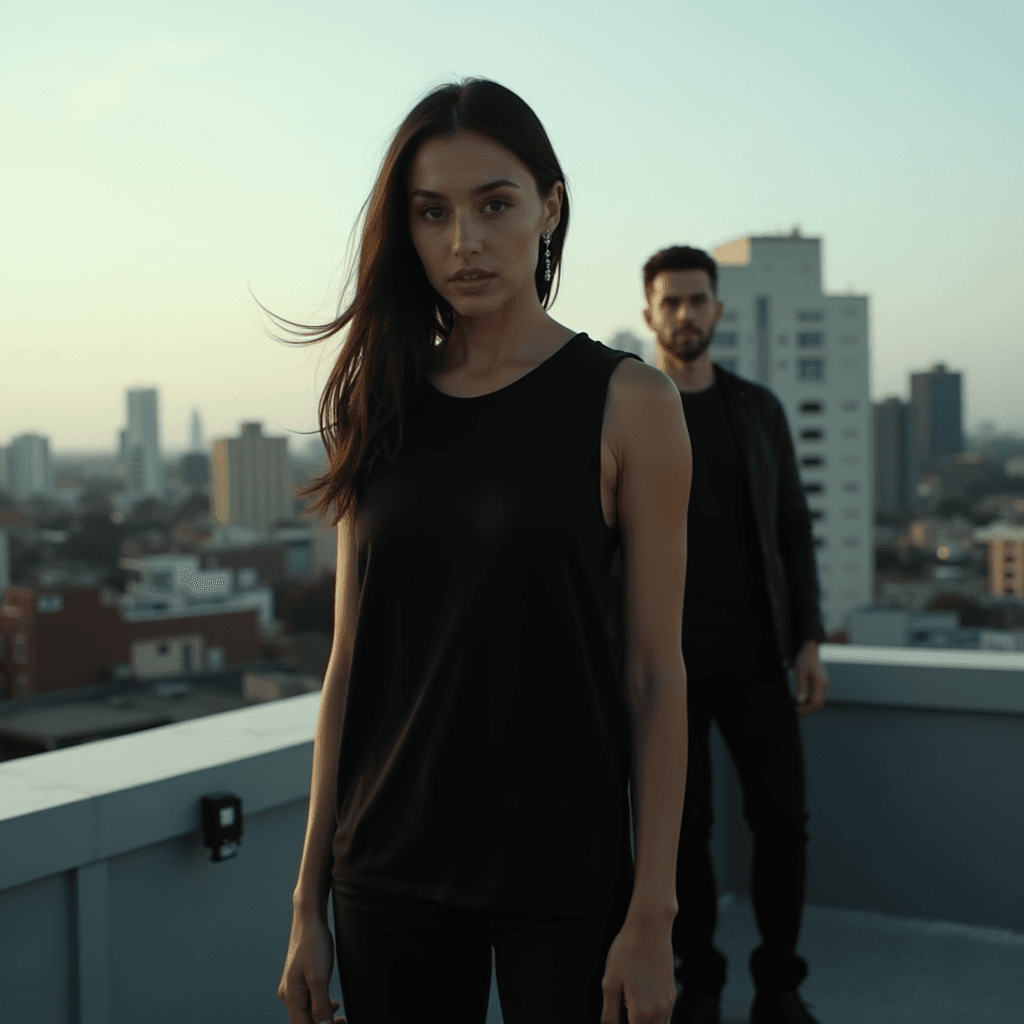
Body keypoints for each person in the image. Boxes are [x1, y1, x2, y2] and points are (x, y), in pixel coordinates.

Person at [275, 79, 694, 1024]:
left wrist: (654, 913)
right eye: (433, 214)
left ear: (549, 206)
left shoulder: (631, 404)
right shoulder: (378, 403)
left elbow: (656, 673)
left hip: (566, 869)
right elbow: (348, 667)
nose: (464, 242)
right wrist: (307, 899)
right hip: (385, 867)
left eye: (494, 204)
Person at [634, 246, 829, 1024]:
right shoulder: (626, 408)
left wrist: (808, 639)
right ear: (648, 312)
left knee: (783, 823)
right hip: (664, 666)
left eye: (697, 300)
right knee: (682, 835)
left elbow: (793, 529)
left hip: (756, 658)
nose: (684, 314)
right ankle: (699, 983)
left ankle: (779, 986)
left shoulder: (757, 410)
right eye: (670, 301)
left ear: (717, 310)